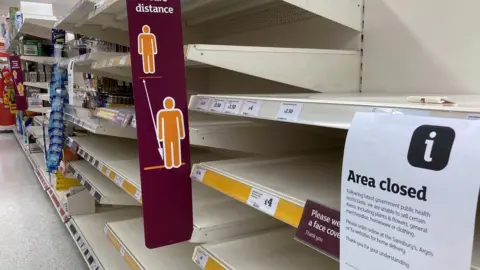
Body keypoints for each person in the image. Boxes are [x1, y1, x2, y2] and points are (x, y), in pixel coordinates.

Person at [156, 97, 185, 169]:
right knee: (175, 148)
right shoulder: (176, 113)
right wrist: (181, 134)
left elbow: (160, 126)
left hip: (167, 135)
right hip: (174, 134)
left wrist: (160, 136)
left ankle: (169, 163)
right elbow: (180, 124)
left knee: (168, 149)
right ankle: (176, 162)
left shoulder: (162, 114)